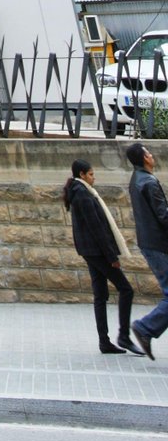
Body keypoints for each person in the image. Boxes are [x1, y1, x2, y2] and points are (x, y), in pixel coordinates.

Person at [64, 158, 140, 354]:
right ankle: (123, 336)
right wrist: (112, 257)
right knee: (126, 290)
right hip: (97, 252)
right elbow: (96, 228)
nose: (93, 178)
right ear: (81, 174)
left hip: (90, 251)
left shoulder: (80, 192)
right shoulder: (83, 194)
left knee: (100, 295)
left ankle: (104, 342)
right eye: (91, 174)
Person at [125, 142, 168, 358]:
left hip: (150, 243)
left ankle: (146, 329)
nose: (152, 155)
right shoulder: (149, 182)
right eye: (148, 153)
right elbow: (164, 216)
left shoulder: (137, 179)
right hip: (158, 244)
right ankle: (145, 328)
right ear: (144, 159)